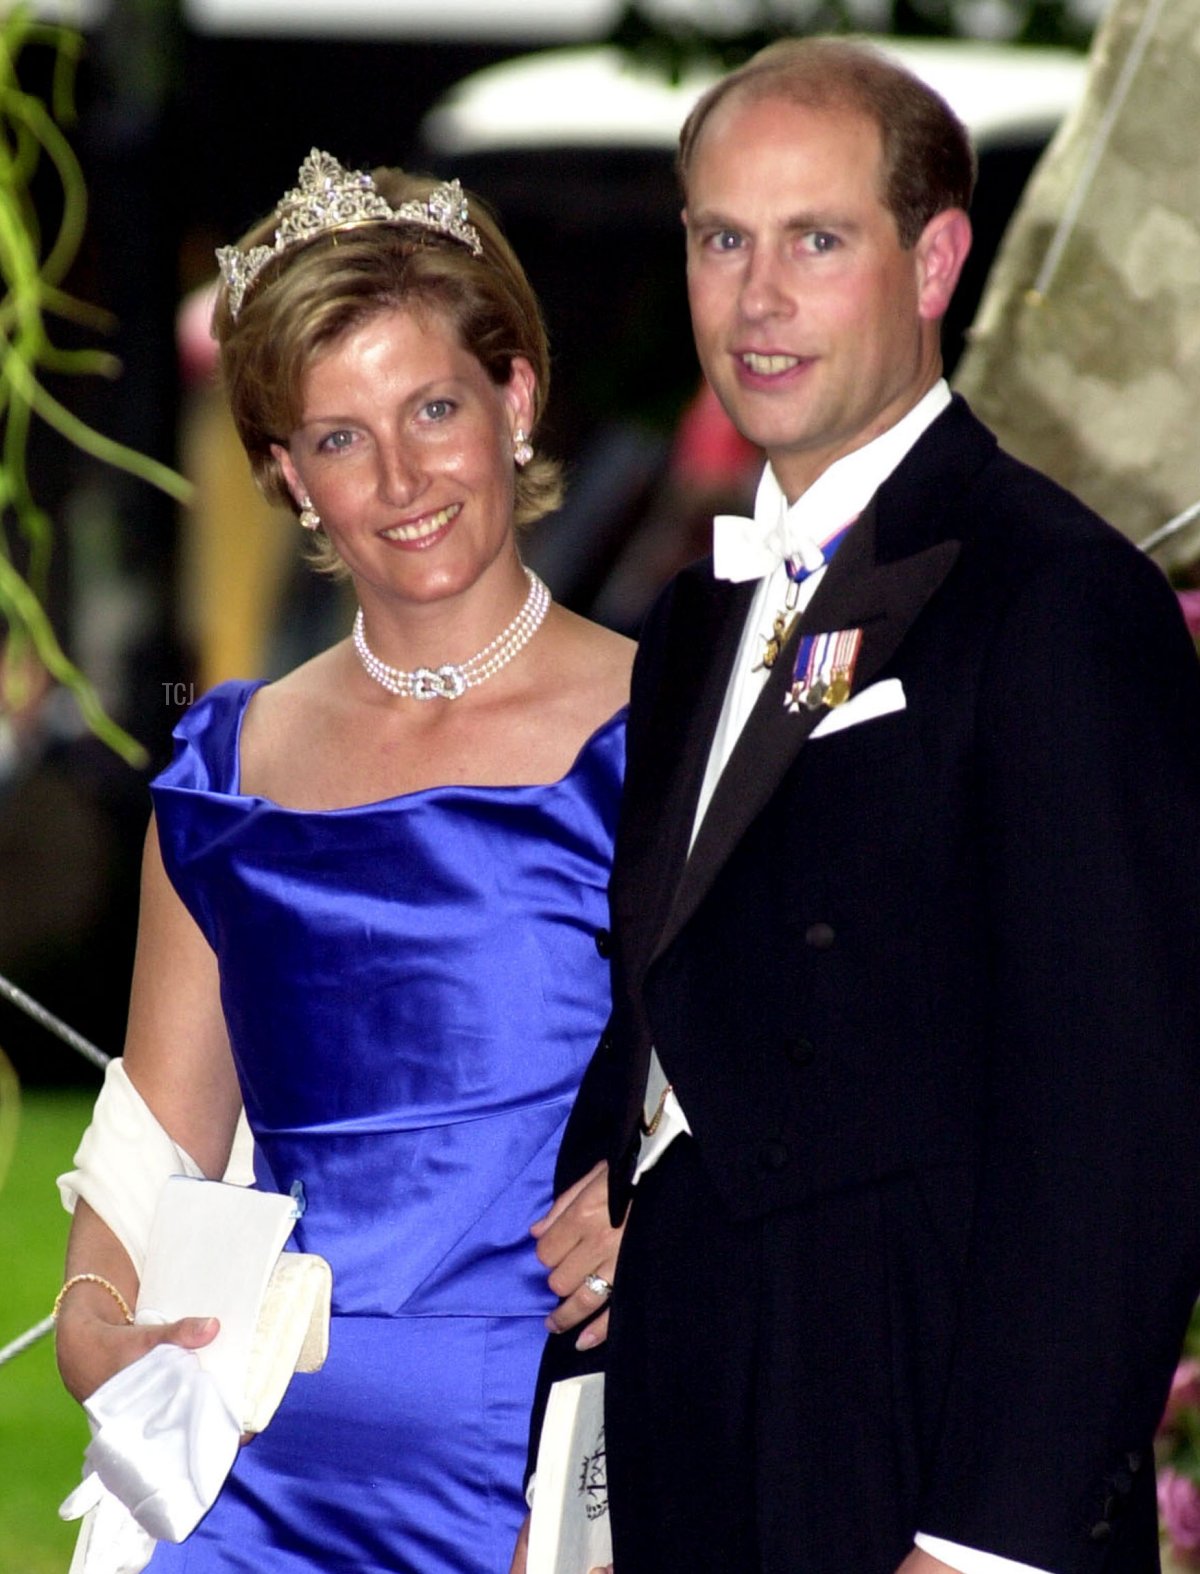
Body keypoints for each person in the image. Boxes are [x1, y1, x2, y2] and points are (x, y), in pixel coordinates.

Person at [533, 37, 1200, 1574]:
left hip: (916, 1456)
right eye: (722, 239)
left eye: (816, 239)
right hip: (702, 1428)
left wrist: (983, 1541)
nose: (757, 298)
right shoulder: (695, 623)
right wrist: (630, 1160)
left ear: (936, 260)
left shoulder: (1058, 599)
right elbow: (704, 978)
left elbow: (1127, 1114)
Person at [54, 149, 630, 1574]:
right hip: (249, 1474)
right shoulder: (225, 768)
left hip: (546, 1469)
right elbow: (150, 1152)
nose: (402, 477)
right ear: (282, 475)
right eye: (337, 436)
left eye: (433, 406)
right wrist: (95, 1312)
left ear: (516, 398)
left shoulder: (668, 729)